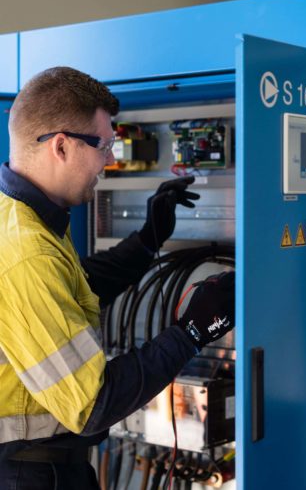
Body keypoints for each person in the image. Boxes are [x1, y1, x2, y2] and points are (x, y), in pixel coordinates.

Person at [0, 66, 235, 489]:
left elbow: (74, 289)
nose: (111, 159)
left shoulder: (19, 216)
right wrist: (193, 331)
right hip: (30, 474)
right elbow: (93, 403)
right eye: (105, 145)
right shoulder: (26, 251)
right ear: (61, 146)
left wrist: (147, 240)